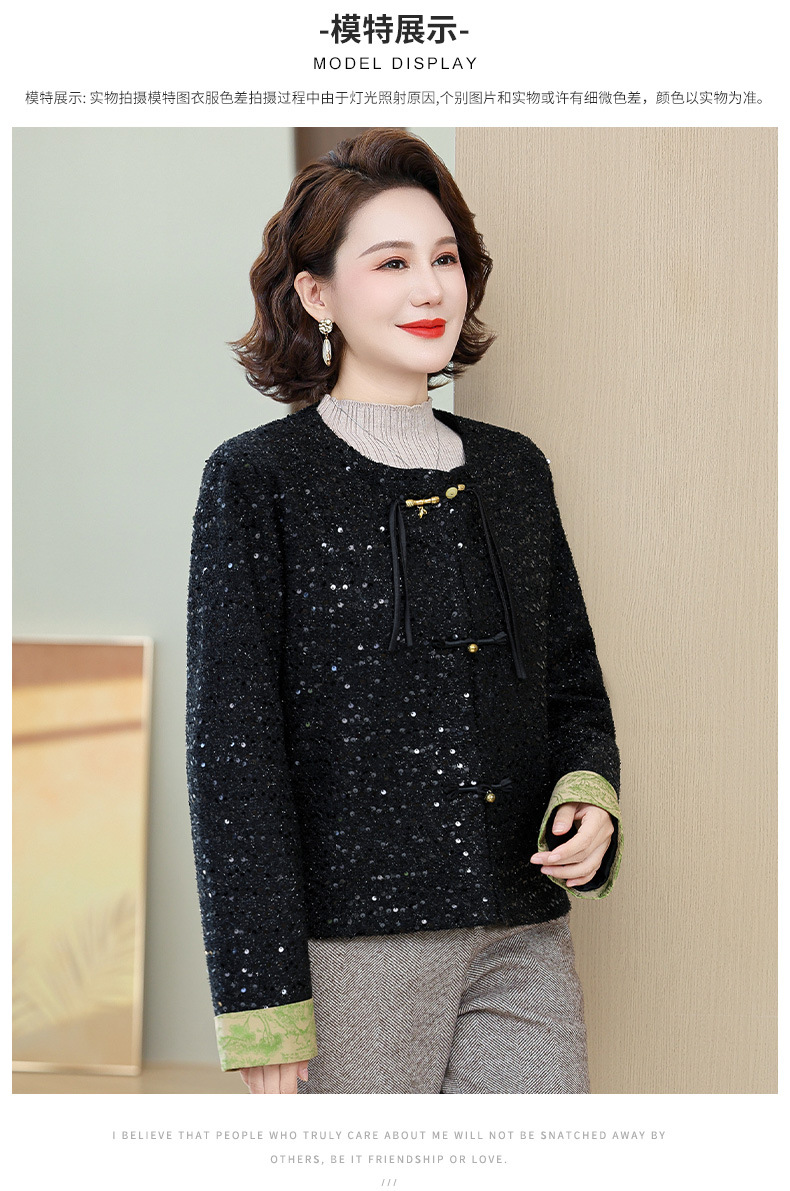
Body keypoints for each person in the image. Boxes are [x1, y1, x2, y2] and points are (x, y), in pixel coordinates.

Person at [186, 128, 622, 1096]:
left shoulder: (513, 470)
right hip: (355, 948)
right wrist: (262, 1001)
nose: (430, 289)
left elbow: (569, 683)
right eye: (391, 263)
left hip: (523, 932)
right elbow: (232, 754)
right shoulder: (257, 480)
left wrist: (589, 796)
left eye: (444, 259)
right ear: (316, 294)